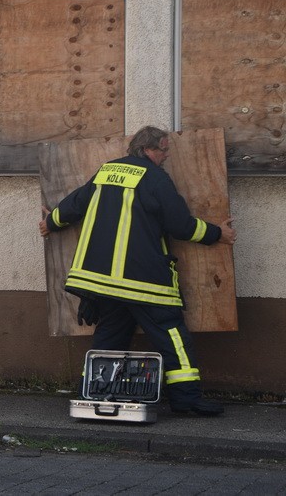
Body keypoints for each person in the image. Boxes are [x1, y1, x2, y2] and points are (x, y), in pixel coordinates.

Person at [39, 126, 236, 417]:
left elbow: (75, 203)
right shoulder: (156, 178)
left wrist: (51, 222)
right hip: (143, 281)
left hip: (101, 282)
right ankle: (186, 398)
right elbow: (180, 225)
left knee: (111, 336)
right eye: (163, 150)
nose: (166, 155)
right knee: (172, 334)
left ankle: (92, 393)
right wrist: (218, 233)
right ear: (147, 150)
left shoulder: (107, 171)